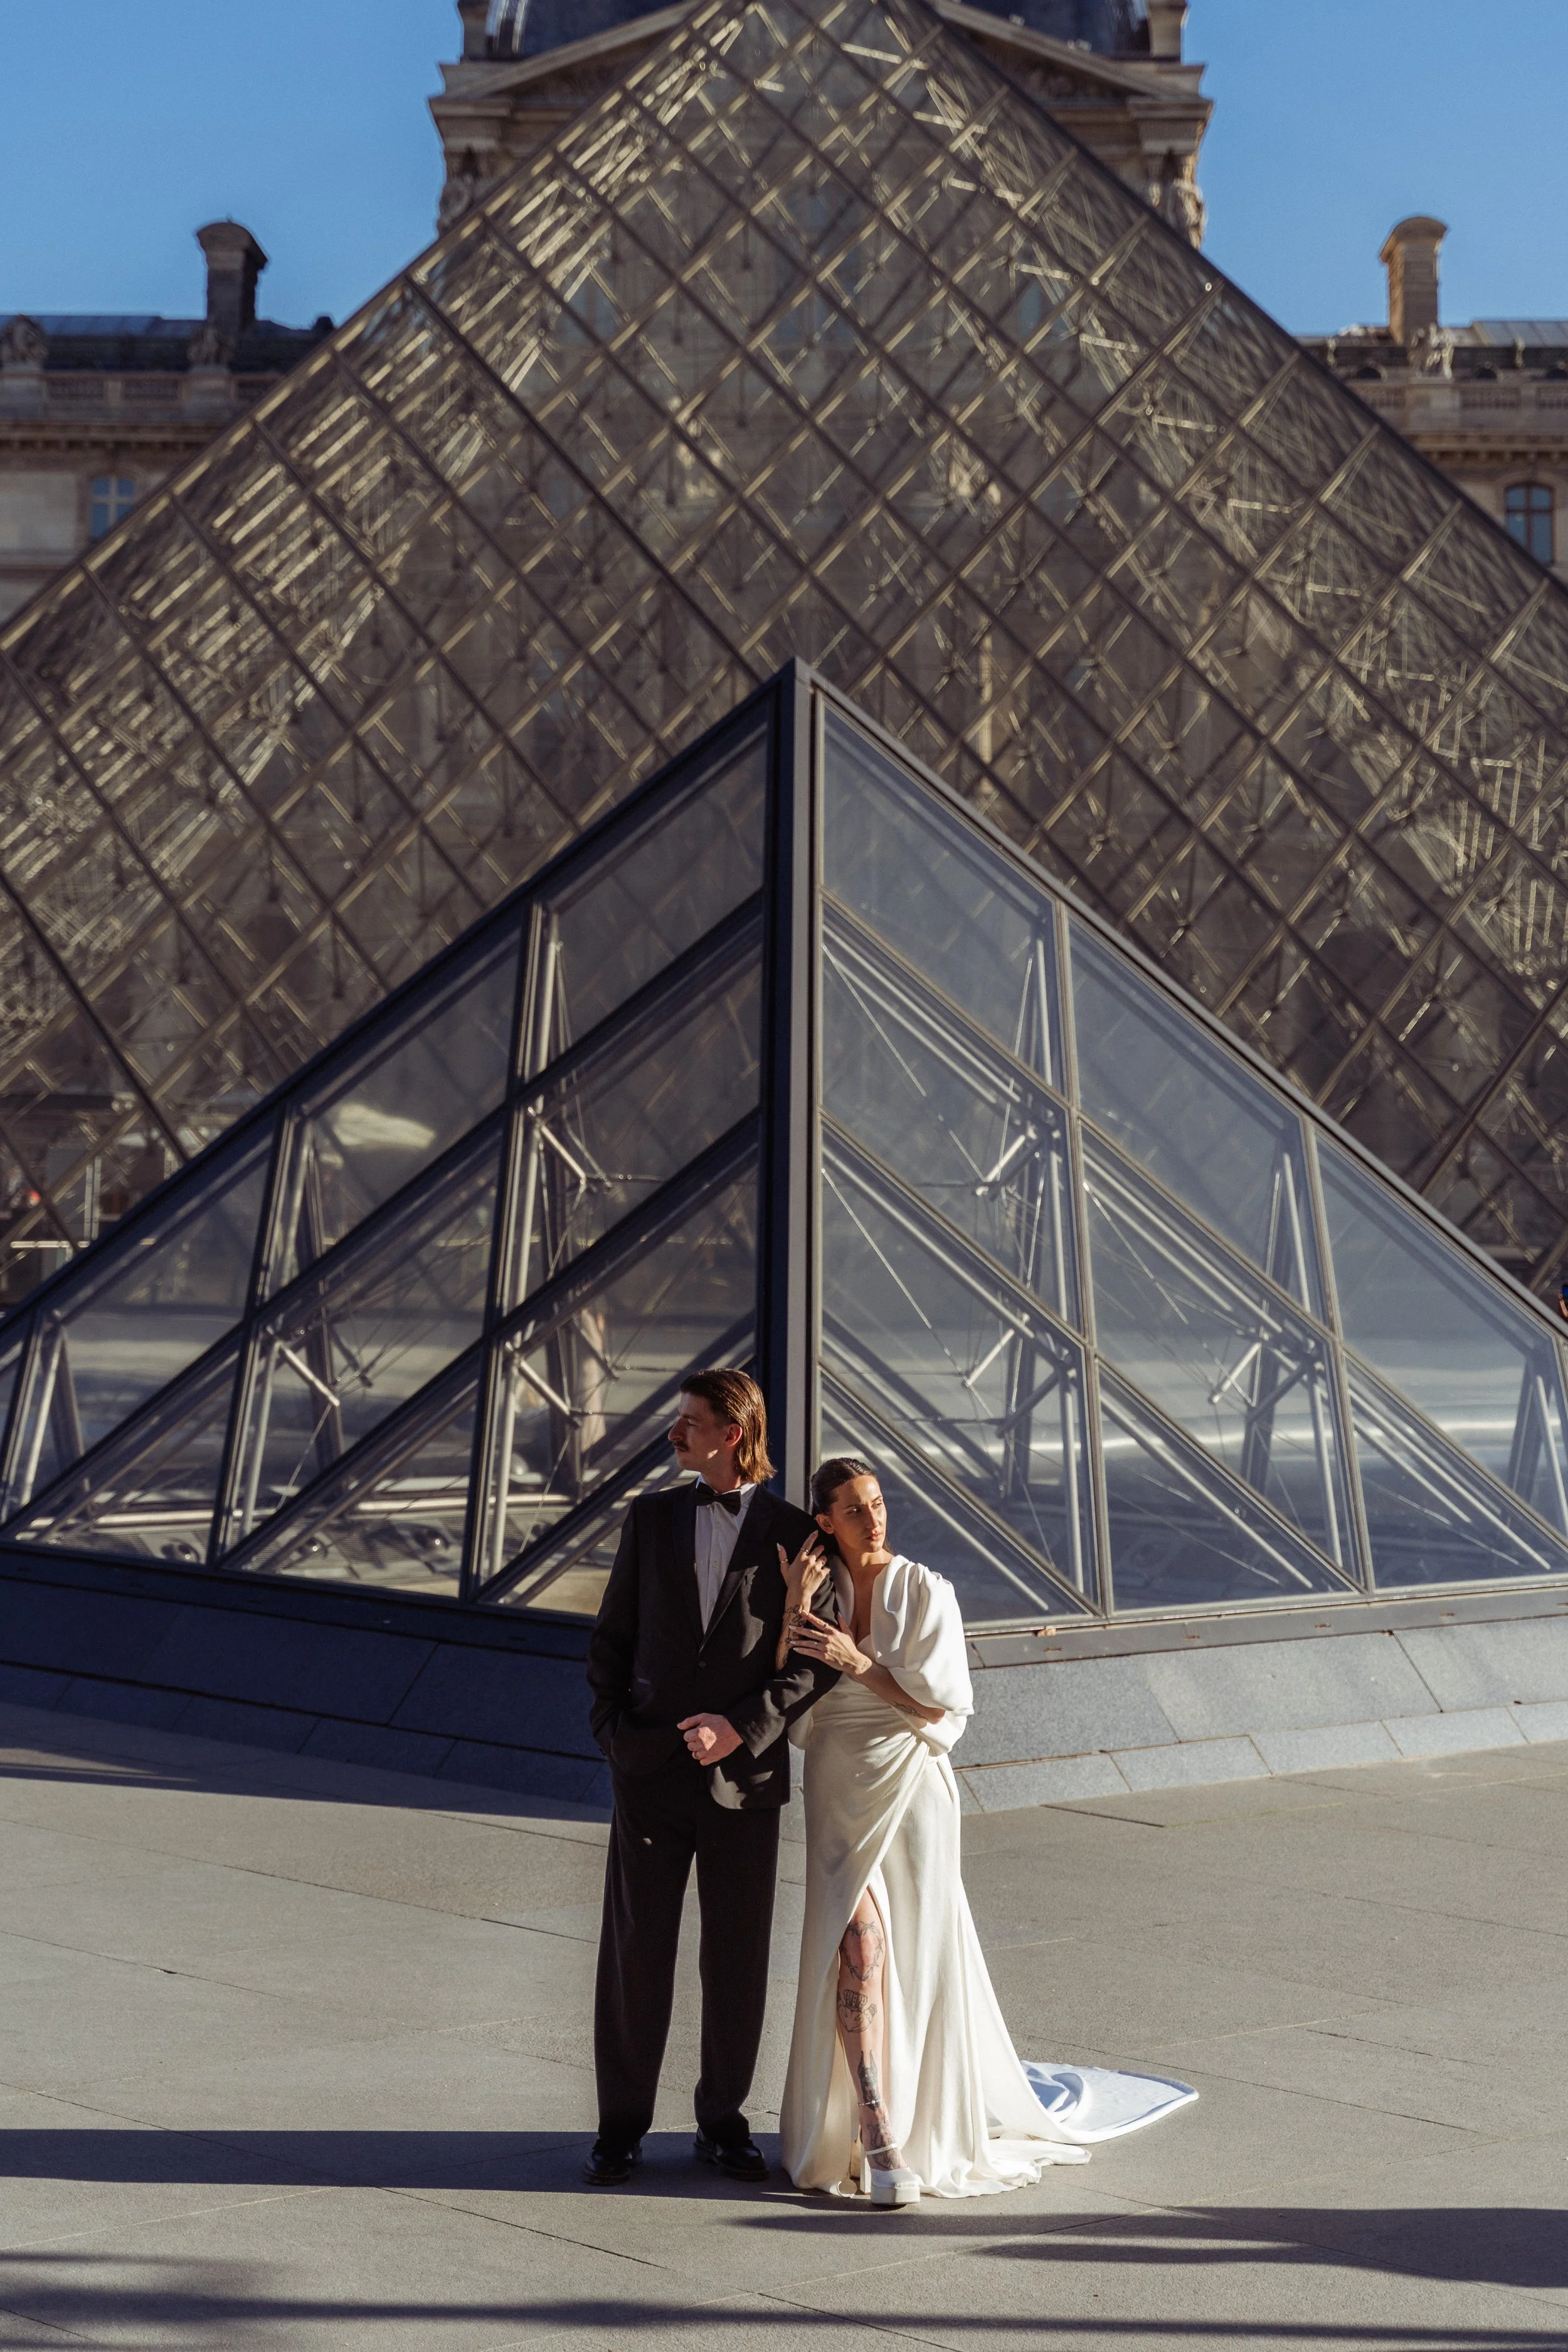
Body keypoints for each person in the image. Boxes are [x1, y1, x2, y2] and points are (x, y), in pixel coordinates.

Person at [778, 1458, 1095, 2205]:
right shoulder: (815, 1590)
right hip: (833, 1782)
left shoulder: (924, 1590)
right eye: (853, 1510)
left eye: (878, 1503)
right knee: (853, 1947)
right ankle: (871, 2123)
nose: (873, 1518)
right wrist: (793, 1605)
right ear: (824, 1521)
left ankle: (890, 2132)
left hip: (912, 1784)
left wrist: (858, 1663)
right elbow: (785, 1694)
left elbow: (938, 1712)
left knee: (901, 1954)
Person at [582, 1368, 840, 2189]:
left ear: (733, 1431)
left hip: (743, 1780)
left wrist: (743, 1726)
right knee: (634, 1956)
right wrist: (618, 1737)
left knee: (736, 1959)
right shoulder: (650, 1518)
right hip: (650, 1773)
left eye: (689, 1422)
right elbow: (612, 1638)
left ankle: (722, 2121)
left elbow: (814, 1657)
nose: (674, 1433)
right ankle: (619, 2127)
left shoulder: (795, 1532)